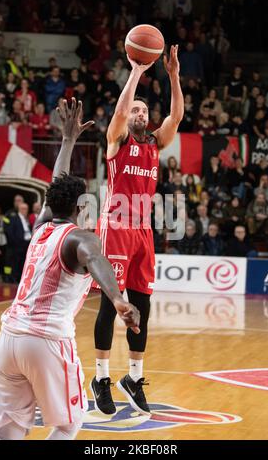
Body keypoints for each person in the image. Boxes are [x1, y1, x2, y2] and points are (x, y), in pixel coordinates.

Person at [0, 98, 140, 441]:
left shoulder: (42, 225)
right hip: (47, 340)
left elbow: (58, 183)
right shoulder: (79, 238)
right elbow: (96, 259)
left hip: (8, 340)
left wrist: (67, 141)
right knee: (69, 424)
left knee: (6, 432)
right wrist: (117, 299)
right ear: (82, 205)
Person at [92, 46, 184, 415]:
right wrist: (135, 71)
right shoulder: (117, 141)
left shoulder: (155, 144)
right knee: (110, 306)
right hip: (115, 226)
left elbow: (176, 116)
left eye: (145, 110)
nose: (140, 113)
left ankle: (133, 377)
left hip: (142, 229)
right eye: (136, 109)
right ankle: (100, 378)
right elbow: (118, 111)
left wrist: (174, 75)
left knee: (141, 305)